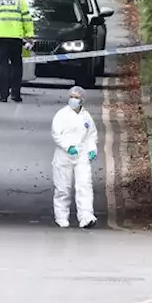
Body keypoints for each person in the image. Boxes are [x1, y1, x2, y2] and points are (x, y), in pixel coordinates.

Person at [51, 86, 99, 228]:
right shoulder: (61, 115)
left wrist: (92, 149)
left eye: (77, 97)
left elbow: (92, 135)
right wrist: (68, 147)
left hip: (82, 155)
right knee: (63, 188)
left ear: (82, 100)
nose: (73, 100)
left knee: (84, 186)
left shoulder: (86, 116)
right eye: (71, 97)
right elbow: (56, 134)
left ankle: (86, 216)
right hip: (63, 155)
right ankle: (61, 216)